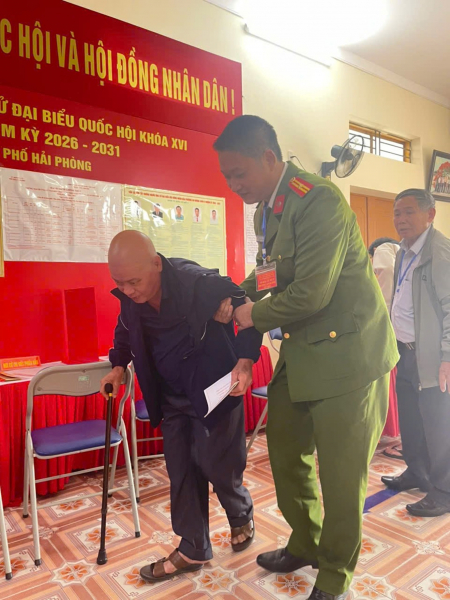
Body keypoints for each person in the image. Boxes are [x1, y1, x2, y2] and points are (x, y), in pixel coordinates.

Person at [213, 115, 398, 600]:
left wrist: (250, 313)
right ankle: (306, 541)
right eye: (227, 177)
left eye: (239, 174)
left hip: (350, 356)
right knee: (284, 453)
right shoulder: (268, 210)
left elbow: (312, 292)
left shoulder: (318, 200)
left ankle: (335, 572)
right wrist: (235, 293)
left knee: (342, 476)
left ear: (267, 158)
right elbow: (274, 273)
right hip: (305, 351)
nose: (234, 185)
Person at [101, 230, 262, 582]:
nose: (127, 290)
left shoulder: (197, 282)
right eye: (119, 283)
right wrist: (118, 366)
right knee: (182, 471)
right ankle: (193, 548)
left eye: (133, 282)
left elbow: (249, 312)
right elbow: (125, 331)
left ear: (156, 264)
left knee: (219, 466)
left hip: (215, 391)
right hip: (171, 397)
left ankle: (240, 514)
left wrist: (246, 361)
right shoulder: (130, 297)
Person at [380, 189, 450, 517]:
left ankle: (444, 491)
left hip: (432, 357)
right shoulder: (402, 251)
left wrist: (447, 356)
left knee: (437, 425)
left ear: (430, 214)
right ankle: (417, 472)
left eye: (409, 212)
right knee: (411, 419)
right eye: (397, 213)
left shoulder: (439, 252)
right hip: (405, 352)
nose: (401, 219)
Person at [368, 237, 400, 312]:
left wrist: (383, 312)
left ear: (375, 250)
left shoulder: (382, 248)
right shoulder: (403, 252)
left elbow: (388, 272)